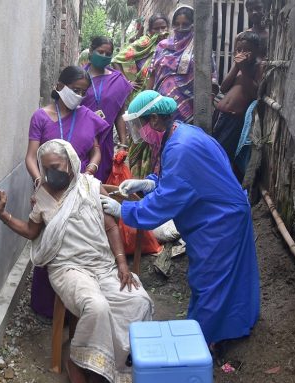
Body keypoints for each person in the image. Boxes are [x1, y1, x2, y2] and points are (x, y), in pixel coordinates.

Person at [99, 90, 260, 352]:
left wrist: (124, 211)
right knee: (226, 278)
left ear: (154, 120)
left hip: (220, 221)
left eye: (138, 124)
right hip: (218, 214)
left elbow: (168, 200)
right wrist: (150, 182)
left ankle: (199, 346)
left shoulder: (182, 147)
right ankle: (226, 330)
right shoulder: (179, 133)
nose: (138, 130)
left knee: (210, 281)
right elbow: (179, 181)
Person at [0, 140, 153, 383]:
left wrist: (122, 263)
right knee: (96, 306)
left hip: (102, 265)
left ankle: (110, 363)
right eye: (45, 169)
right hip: (67, 269)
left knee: (137, 300)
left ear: (69, 162)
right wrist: (4, 215)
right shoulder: (43, 195)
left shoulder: (90, 186)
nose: (50, 174)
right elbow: (32, 231)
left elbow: (111, 226)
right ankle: (76, 364)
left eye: (55, 167)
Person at [25, 66, 110, 318]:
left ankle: (78, 305)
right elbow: (30, 157)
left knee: (78, 243)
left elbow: (95, 149)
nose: (79, 96)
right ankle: (44, 308)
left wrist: (92, 167)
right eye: (75, 90)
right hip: (50, 189)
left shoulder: (87, 116)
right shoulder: (41, 117)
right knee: (49, 241)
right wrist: (40, 181)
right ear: (59, 86)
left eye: (83, 92)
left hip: (80, 189)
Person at [112, 13, 170, 178]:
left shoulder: (170, 47)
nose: (161, 31)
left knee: (155, 139)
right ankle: (136, 178)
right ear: (150, 31)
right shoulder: (143, 44)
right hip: (141, 99)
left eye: (164, 28)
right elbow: (117, 58)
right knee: (139, 138)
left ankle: (150, 178)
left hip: (159, 100)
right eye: (156, 28)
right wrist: (126, 82)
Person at [146, 5, 218, 124]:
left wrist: (207, 105)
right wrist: (147, 102)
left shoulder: (200, 48)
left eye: (185, 24)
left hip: (191, 105)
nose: (180, 28)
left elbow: (212, 77)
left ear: (193, 24)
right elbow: (152, 75)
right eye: (177, 24)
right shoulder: (162, 46)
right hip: (163, 105)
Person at [82, 36, 134, 182]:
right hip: (81, 138)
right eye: (100, 52)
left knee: (101, 180)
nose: (104, 56)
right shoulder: (79, 77)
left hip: (105, 141)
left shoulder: (118, 80)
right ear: (91, 51)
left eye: (108, 54)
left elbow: (120, 114)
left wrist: (123, 143)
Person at [214, 31, 263, 181]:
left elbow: (256, 93)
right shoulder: (238, 67)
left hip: (234, 120)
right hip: (220, 116)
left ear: (256, 50)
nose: (242, 53)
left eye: (246, 50)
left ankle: (224, 188)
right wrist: (236, 66)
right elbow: (223, 88)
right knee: (214, 151)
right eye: (238, 50)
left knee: (223, 157)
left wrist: (243, 68)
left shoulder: (258, 66)